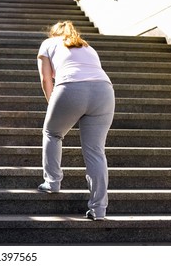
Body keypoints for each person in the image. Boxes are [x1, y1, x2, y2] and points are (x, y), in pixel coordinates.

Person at [36, 21, 115, 221]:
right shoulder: (87, 46)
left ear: (54, 33)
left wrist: (53, 104)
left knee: (52, 133)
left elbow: (46, 79)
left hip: (71, 88)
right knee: (96, 151)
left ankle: (52, 182)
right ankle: (99, 209)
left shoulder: (49, 43)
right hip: (104, 91)